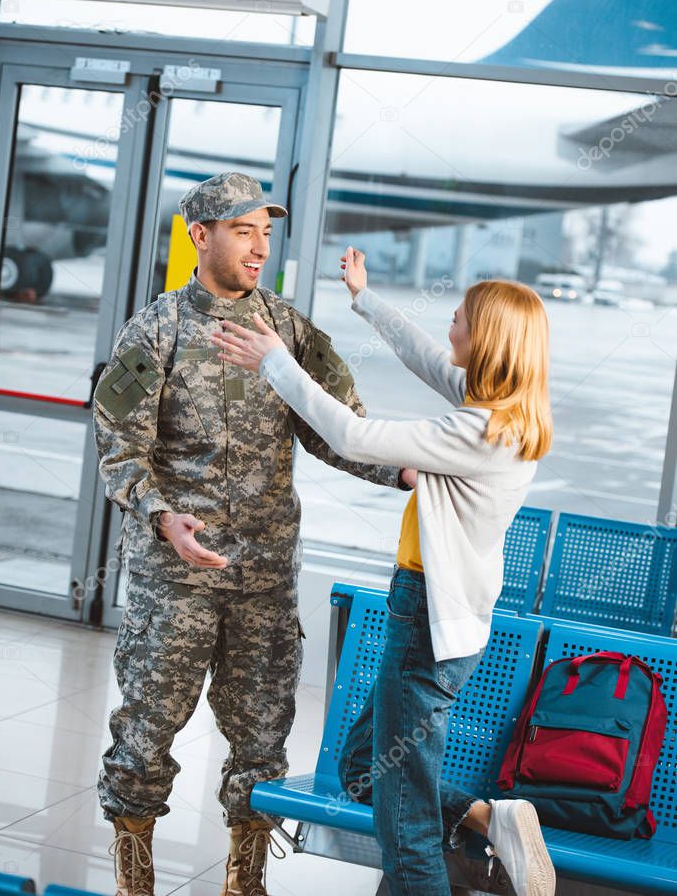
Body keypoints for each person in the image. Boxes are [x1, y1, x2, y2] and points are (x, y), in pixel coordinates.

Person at [93, 177, 407, 896]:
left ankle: (246, 876)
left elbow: (339, 428)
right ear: (199, 235)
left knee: (263, 736)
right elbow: (120, 446)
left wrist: (406, 473)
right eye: (242, 229)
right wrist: (163, 516)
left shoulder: (288, 333)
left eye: (266, 231)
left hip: (262, 576)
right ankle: (133, 874)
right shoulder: (157, 329)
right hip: (175, 575)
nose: (260, 245)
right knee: (146, 725)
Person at [212, 245, 556, 896]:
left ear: (485, 343)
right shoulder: (506, 411)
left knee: (406, 830)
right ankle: (489, 816)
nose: (448, 325)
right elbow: (425, 353)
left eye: (458, 318)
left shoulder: (477, 430)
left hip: (425, 622)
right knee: (359, 766)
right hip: (438, 618)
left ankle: (459, 839)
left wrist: (273, 362)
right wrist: (363, 299)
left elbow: (349, 435)